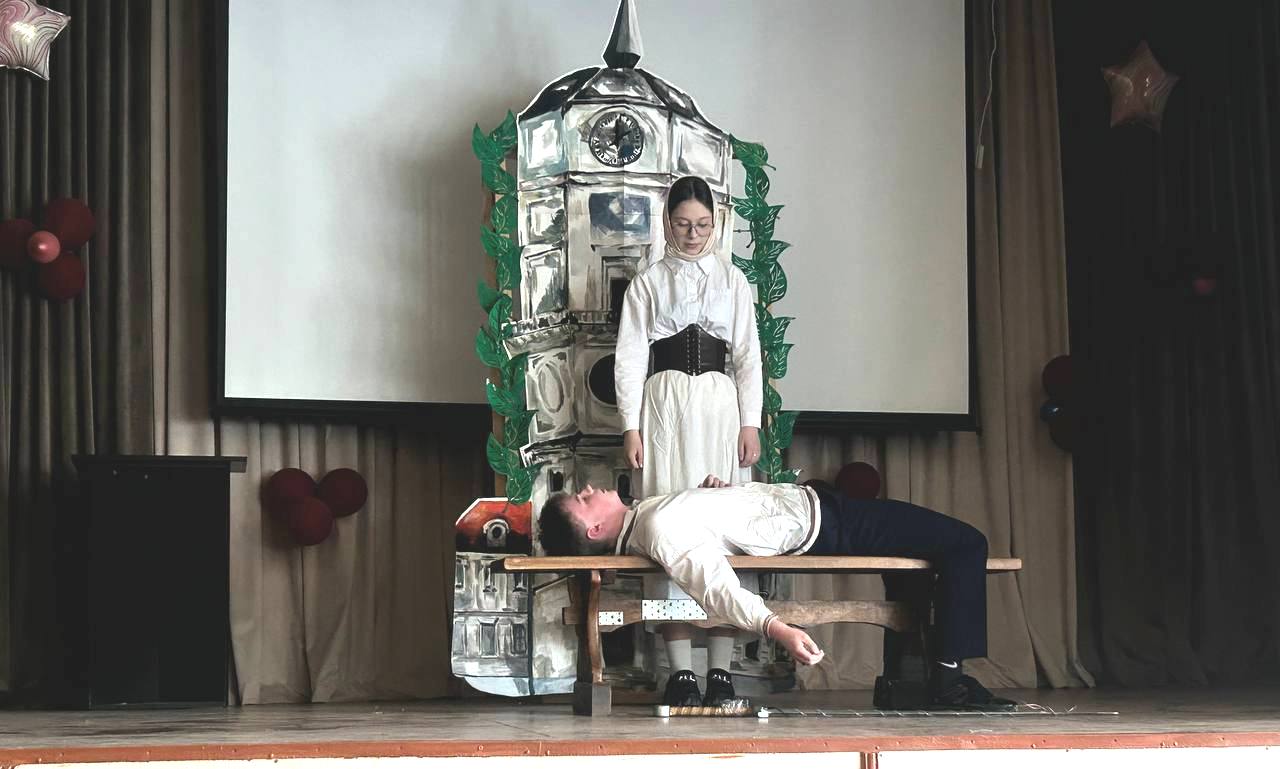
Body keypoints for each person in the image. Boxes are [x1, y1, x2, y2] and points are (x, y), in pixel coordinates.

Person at [537, 476, 1017, 711]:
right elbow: (716, 588)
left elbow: (710, 531)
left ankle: (917, 680)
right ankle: (948, 681)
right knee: (966, 543)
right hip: (827, 522)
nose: (589, 488)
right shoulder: (660, 528)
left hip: (817, 505)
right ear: (595, 529)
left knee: (919, 563)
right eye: (582, 500)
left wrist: (718, 496)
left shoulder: (650, 514)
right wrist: (777, 628)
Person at [613, 175, 763, 707]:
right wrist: (630, 425)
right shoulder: (649, 283)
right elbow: (631, 356)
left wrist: (750, 421)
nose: (693, 234)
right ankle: (680, 671)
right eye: (683, 224)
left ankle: (720, 669)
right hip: (666, 409)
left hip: (720, 408)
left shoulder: (732, 280)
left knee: (722, 531)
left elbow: (747, 354)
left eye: (702, 224)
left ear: (715, 223)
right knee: (669, 527)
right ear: (667, 222)